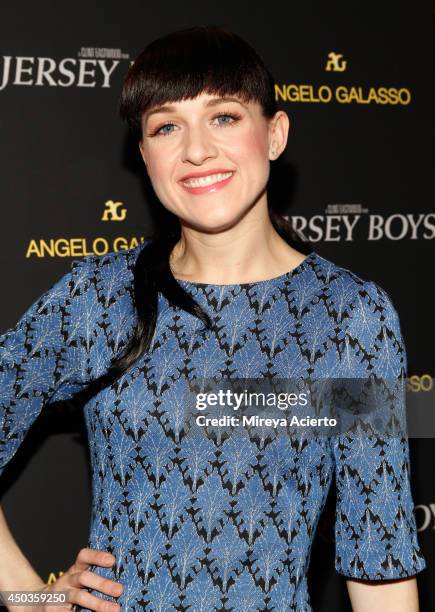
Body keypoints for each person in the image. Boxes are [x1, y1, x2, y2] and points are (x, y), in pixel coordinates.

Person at [0, 25, 426, 612]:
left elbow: (380, 558)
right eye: (166, 126)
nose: (196, 149)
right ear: (144, 154)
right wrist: (28, 597)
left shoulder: (351, 316)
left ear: (274, 134)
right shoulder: (98, 297)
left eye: (224, 116)